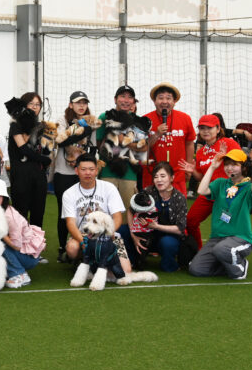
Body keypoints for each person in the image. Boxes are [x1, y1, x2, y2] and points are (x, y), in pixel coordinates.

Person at [188, 148, 252, 279]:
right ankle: (226, 263)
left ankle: (241, 268)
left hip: (240, 238)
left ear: (244, 167)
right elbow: (201, 190)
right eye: (227, 164)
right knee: (196, 269)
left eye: (234, 164)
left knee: (221, 249)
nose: (229, 168)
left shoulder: (247, 187)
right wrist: (212, 167)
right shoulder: (220, 183)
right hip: (217, 238)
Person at [61, 153, 132, 274]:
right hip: (84, 234)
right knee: (72, 249)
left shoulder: (109, 188)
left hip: (108, 234)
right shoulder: (69, 193)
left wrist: (108, 234)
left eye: (91, 169)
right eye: (83, 169)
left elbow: (117, 217)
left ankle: (97, 260)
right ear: (77, 171)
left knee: (125, 271)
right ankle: (81, 259)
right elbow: (70, 223)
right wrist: (83, 242)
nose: (88, 173)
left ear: (97, 171)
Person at [180, 114, 242, 249]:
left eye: (209, 128)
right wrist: (193, 170)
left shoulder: (228, 143)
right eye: (202, 128)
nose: (205, 131)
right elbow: (201, 178)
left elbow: (241, 166)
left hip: (228, 194)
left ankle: (229, 252)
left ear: (218, 129)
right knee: (190, 220)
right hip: (209, 192)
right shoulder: (201, 152)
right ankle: (198, 251)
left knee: (225, 224)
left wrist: (227, 158)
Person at [53, 91, 96, 260]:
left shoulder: (91, 120)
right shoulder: (62, 119)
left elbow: (93, 147)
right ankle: (62, 247)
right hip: (63, 172)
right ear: (71, 104)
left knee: (85, 209)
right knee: (64, 212)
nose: (81, 106)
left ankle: (83, 244)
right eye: (78, 102)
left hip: (82, 173)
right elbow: (61, 141)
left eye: (84, 103)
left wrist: (83, 162)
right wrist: (83, 131)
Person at [122, 162, 188, 273]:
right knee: (122, 231)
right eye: (156, 177)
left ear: (172, 178)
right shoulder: (148, 191)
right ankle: (131, 260)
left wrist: (156, 226)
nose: (159, 180)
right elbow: (130, 210)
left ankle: (169, 264)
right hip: (145, 233)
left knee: (168, 243)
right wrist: (133, 234)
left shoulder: (179, 198)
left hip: (166, 235)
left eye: (163, 176)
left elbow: (179, 228)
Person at [0, 179, 44, 289]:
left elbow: (17, 245)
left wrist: (0, 233)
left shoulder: (10, 216)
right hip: (18, 251)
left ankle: (19, 274)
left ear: (4, 198)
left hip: (28, 256)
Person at [96, 85, 142, 214]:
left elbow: (142, 148)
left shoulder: (137, 120)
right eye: (122, 96)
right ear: (115, 99)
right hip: (107, 172)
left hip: (129, 173)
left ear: (133, 101)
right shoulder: (104, 117)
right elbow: (98, 142)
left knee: (128, 211)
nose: (126, 100)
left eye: (130, 97)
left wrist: (123, 141)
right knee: (104, 211)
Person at [8, 92, 51, 228]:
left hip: (39, 175)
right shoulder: (15, 125)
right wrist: (44, 160)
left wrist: (48, 147)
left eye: (38, 104)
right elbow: (23, 149)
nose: (34, 107)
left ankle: (36, 240)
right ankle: (19, 241)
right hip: (21, 175)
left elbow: (46, 149)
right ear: (24, 105)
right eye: (31, 103)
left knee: (38, 212)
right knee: (20, 214)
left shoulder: (41, 126)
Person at [144, 83, 195, 195]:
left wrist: (188, 166)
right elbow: (142, 148)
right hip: (152, 174)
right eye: (161, 98)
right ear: (154, 101)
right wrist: (157, 134)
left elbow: (189, 143)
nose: (164, 101)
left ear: (174, 101)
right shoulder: (145, 120)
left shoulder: (185, 118)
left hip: (177, 175)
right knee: (152, 206)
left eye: (168, 98)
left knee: (178, 204)